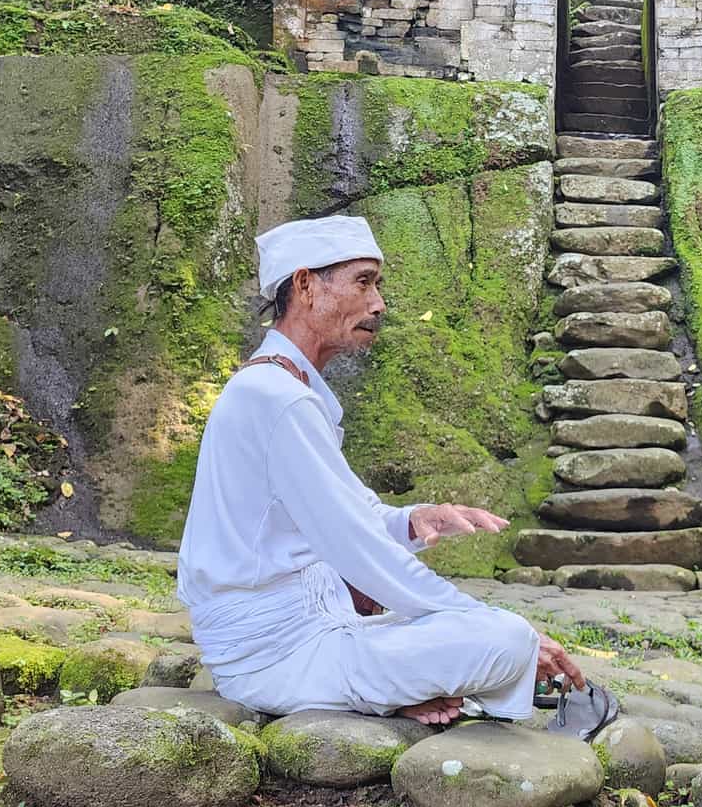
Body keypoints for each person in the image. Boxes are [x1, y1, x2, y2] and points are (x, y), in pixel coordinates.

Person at [178, 214, 584, 725]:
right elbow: (354, 543)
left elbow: (349, 514)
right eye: (363, 282)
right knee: (504, 639)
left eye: (378, 285)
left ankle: (395, 690)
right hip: (275, 656)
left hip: (313, 633)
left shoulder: (285, 391)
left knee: (483, 633)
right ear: (305, 284)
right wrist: (493, 625)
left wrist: (413, 521)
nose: (378, 304)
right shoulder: (276, 399)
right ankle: (386, 690)